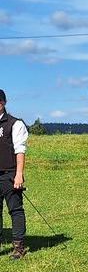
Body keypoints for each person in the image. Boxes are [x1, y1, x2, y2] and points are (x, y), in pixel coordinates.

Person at [0, 89, 29, 260]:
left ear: (1, 104)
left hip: (10, 173)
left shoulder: (15, 124)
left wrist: (19, 174)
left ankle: (19, 247)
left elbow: (20, 151)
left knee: (15, 210)